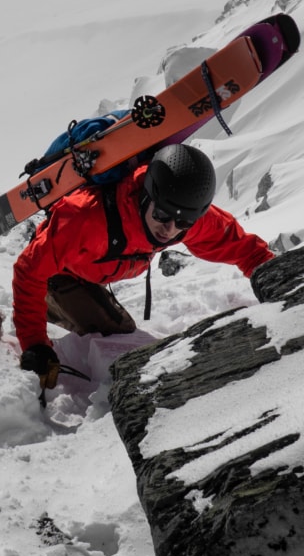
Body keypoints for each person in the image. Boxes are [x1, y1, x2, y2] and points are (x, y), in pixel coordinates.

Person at [14, 143, 273, 387]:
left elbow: (241, 247)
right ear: (146, 196)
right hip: (58, 274)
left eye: (182, 223)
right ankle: (49, 304)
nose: (169, 229)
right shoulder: (85, 218)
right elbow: (29, 270)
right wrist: (35, 343)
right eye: (161, 215)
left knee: (120, 330)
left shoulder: (183, 215)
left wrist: (278, 278)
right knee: (117, 333)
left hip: (92, 270)